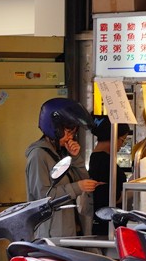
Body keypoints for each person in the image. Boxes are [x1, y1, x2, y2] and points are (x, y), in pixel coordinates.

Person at [25, 97, 102, 239]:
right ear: (54, 128)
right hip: (51, 234)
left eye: (73, 133)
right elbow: (42, 197)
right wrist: (77, 187)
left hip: (70, 230)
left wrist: (76, 158)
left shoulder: (61, 153)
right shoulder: (38, 155)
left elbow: (83, 180)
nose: (70, 137)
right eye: (67, 131)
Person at [88, 115, 131, 236]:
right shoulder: (106, 163)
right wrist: (131, 190)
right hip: (107, 225)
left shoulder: (96, 158)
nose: (122, 145)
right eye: (122, 140)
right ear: (112, 137)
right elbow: (110, 198)